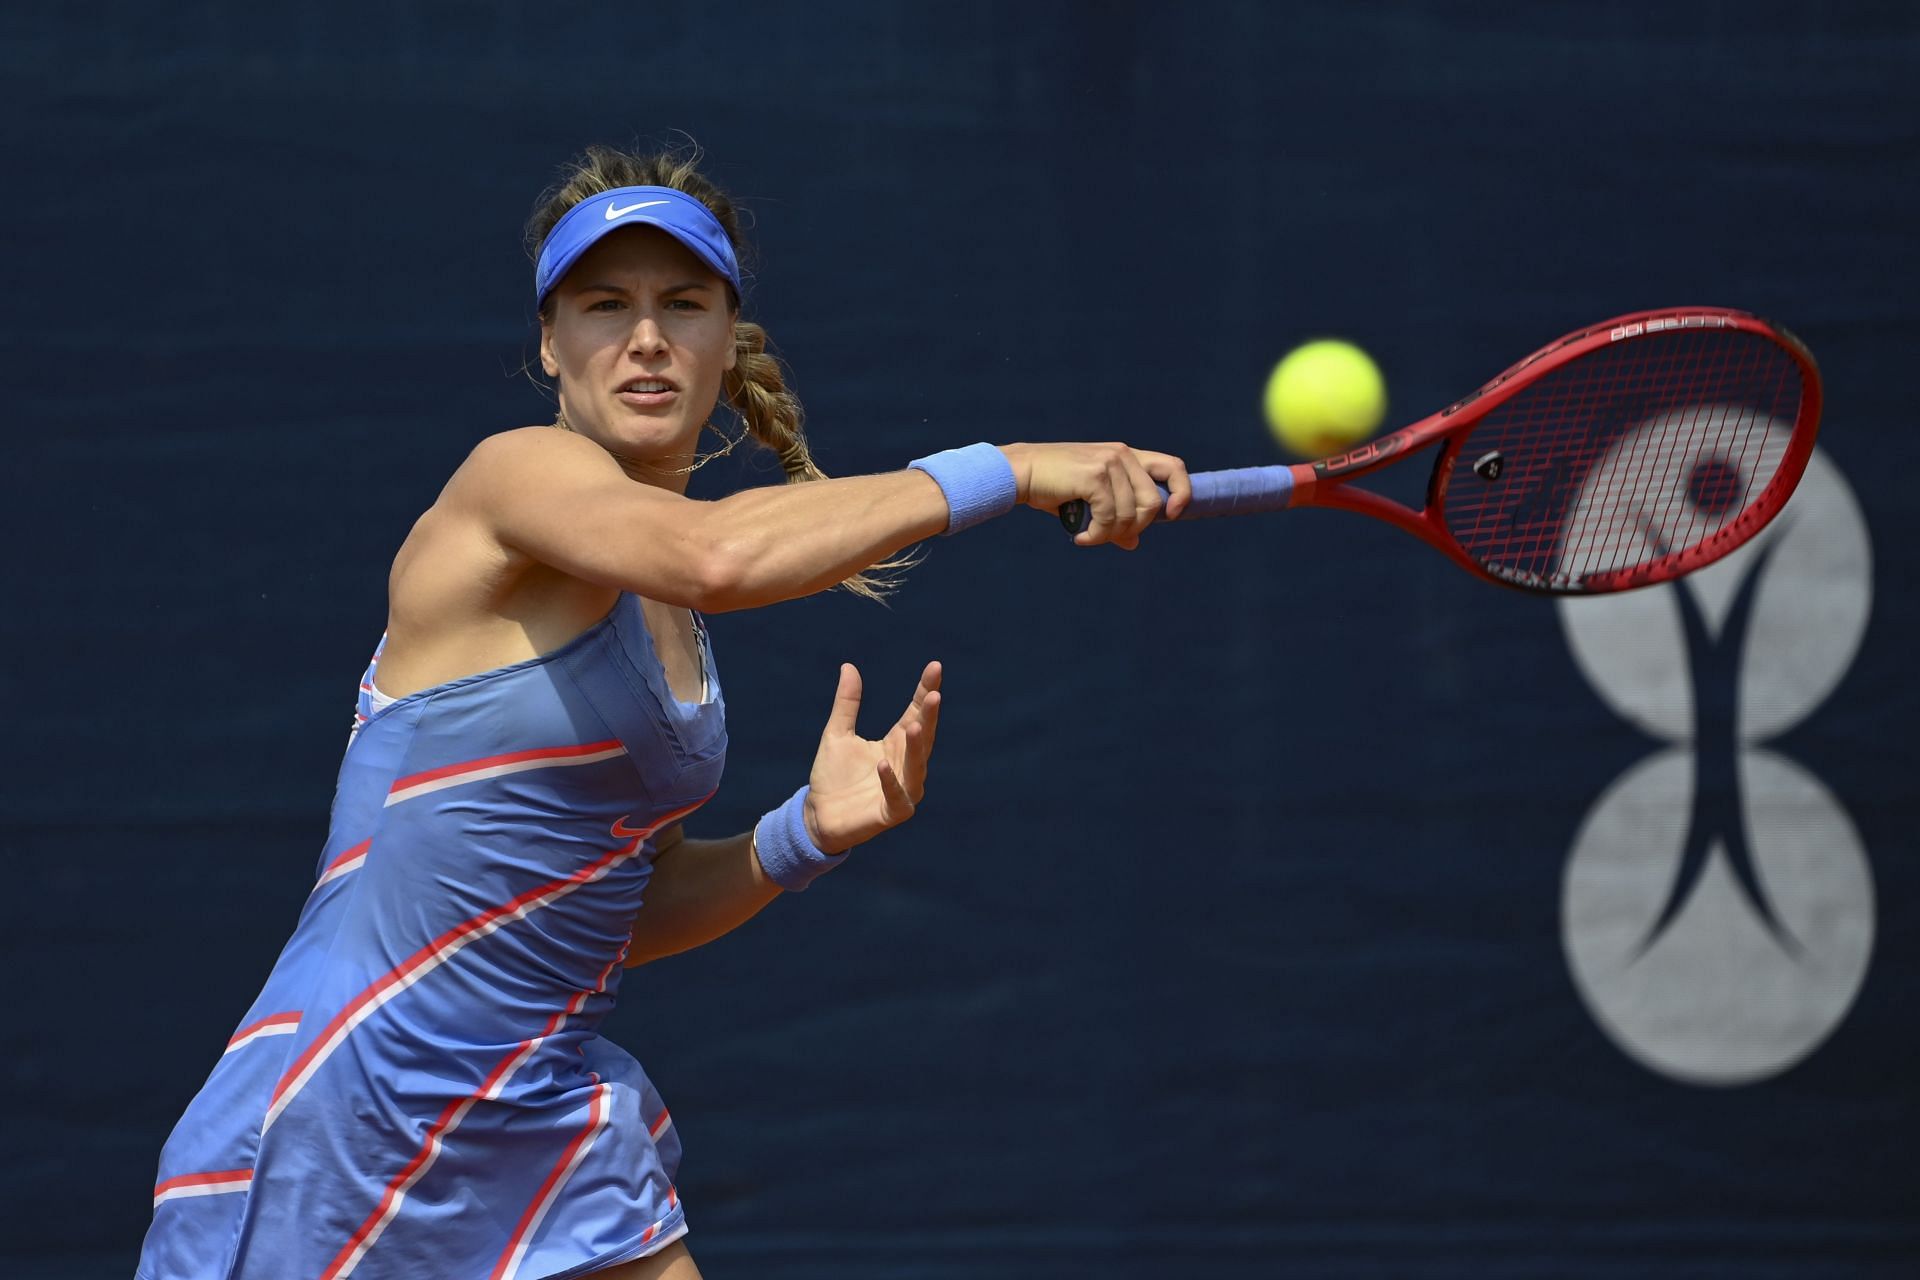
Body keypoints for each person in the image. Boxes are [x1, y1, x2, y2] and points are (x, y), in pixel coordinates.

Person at [135, 144, 1190, 1280]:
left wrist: (804, 835)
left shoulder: (667, 615)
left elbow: (617, 907)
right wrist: (1015, 465)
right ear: (550, 344)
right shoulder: (516, 477)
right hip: (349, 1110)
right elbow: (724, 553)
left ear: (723, 341)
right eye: (605, 305)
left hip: (533, 1100)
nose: (645, 336)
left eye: (681, 304)